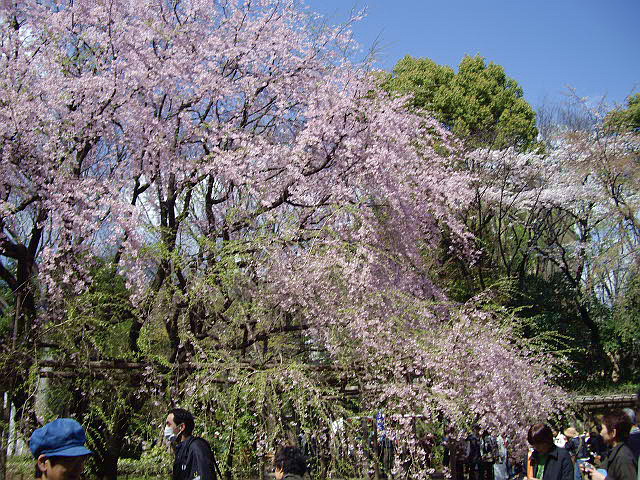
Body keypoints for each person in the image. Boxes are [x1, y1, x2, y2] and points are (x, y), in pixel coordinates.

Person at [165, 408, 220, 480]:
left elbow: (206, 476)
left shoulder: (198, 447)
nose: (166, 428)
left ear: (181, 427)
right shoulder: (181, 449)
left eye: (169, 424)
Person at [582, 410, 637, 480]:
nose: (601, 433)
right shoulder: (613, 452)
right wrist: (592, 472)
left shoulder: (623, 457)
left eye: (603, 429)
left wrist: (603, 479)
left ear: (613, 432)